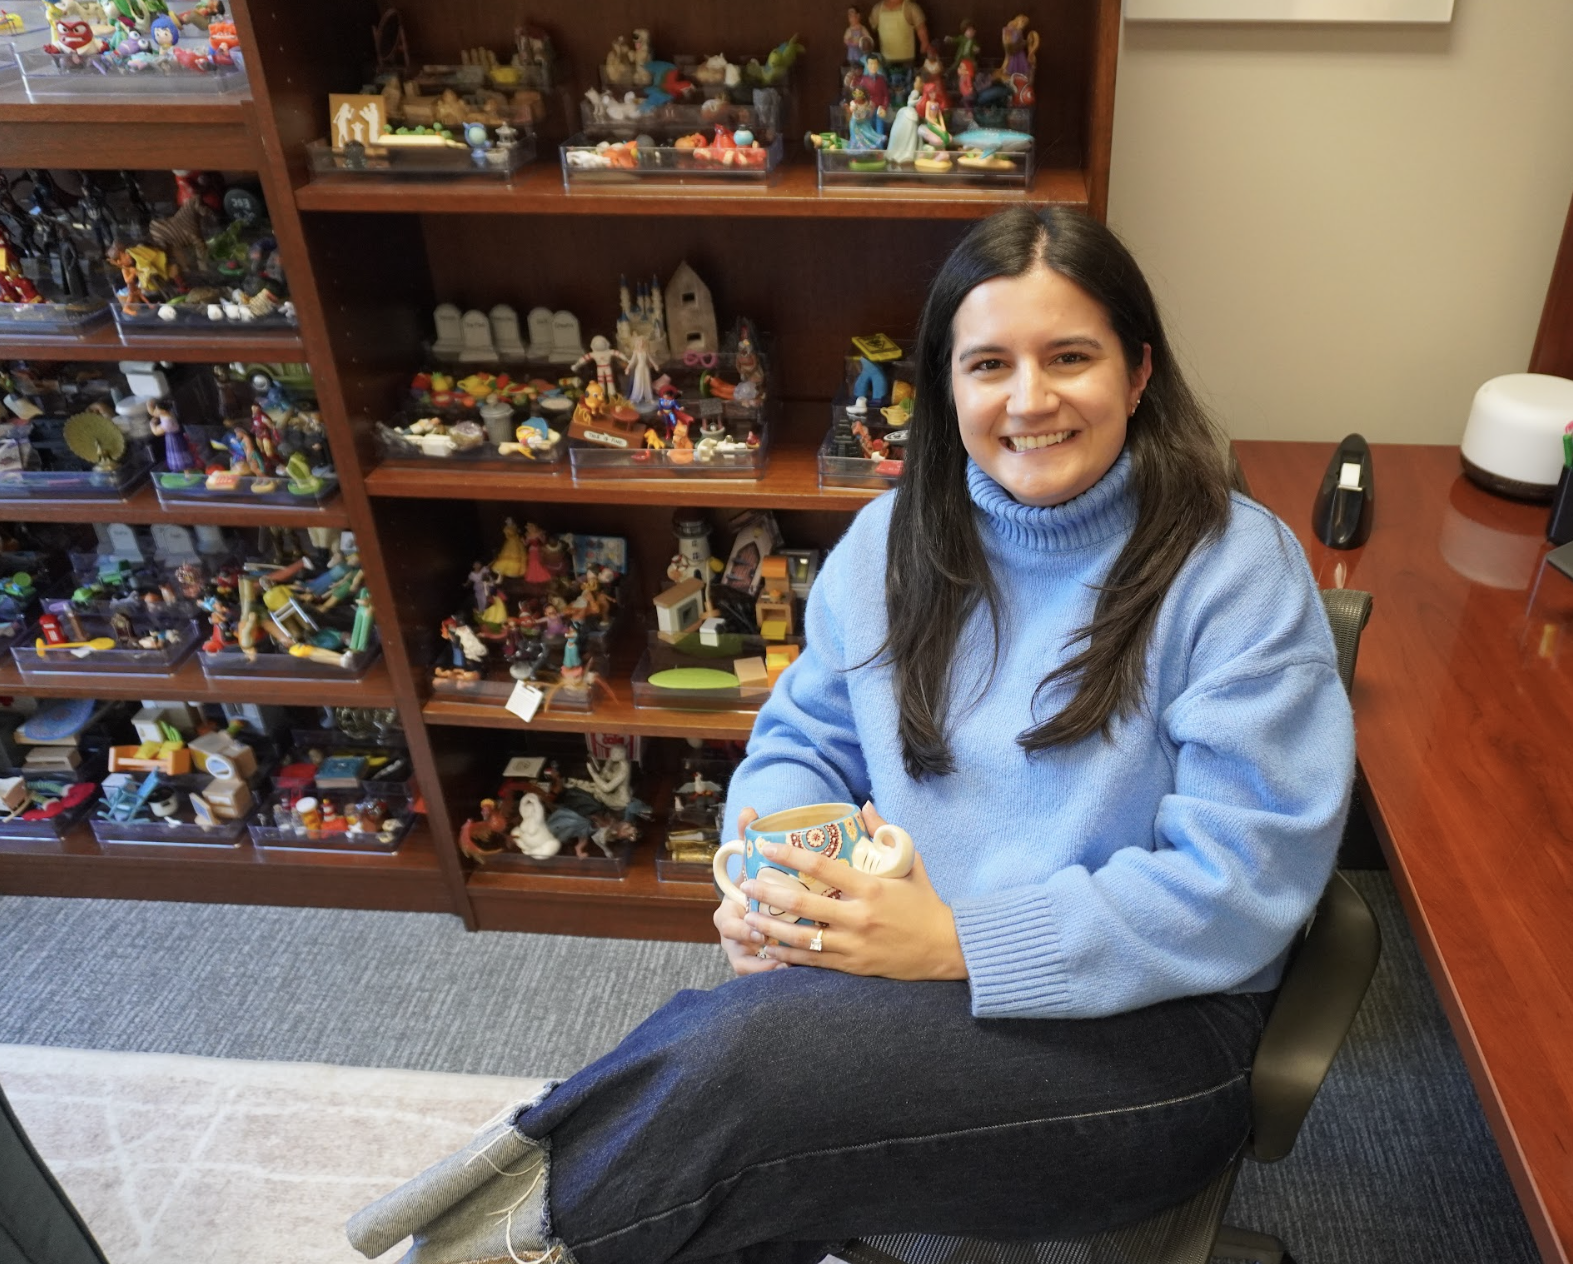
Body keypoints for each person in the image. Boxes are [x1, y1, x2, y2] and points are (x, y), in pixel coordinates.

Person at [347, 207, 1355, 1264]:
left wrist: (957, 942)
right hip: (899, 975)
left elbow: (1242, 878)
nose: (1029, 398)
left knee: (738, 1078)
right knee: (720, 1147)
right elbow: (803, 744)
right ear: (945, 385)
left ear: (1138, 371)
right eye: (988, 364)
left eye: (1070, 357)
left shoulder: (1236, 569)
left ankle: (471, 1244)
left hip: (1150, 1029)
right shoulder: (893, 539)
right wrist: (777, 885)